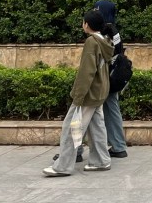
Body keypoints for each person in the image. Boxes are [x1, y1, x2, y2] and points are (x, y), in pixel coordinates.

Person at [42, 9, 113, 177]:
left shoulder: (92, 42)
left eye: (83, 22)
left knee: (71, 128)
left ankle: (63, 167)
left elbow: (86, 72)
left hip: (88, 95)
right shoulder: (105, 41)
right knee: (97, 128)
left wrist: (78, 96)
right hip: (99, 92)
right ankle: (101, 161)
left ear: (87, 25)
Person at [94, 0, 128, 158]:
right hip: (112, 77)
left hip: (103, 78)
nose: (94, 12)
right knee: (112, 109)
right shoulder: (114, 30)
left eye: (97, 9)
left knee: (83, 111)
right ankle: (118, 146)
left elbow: (103, 55)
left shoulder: (105, 31)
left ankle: (75, 150)